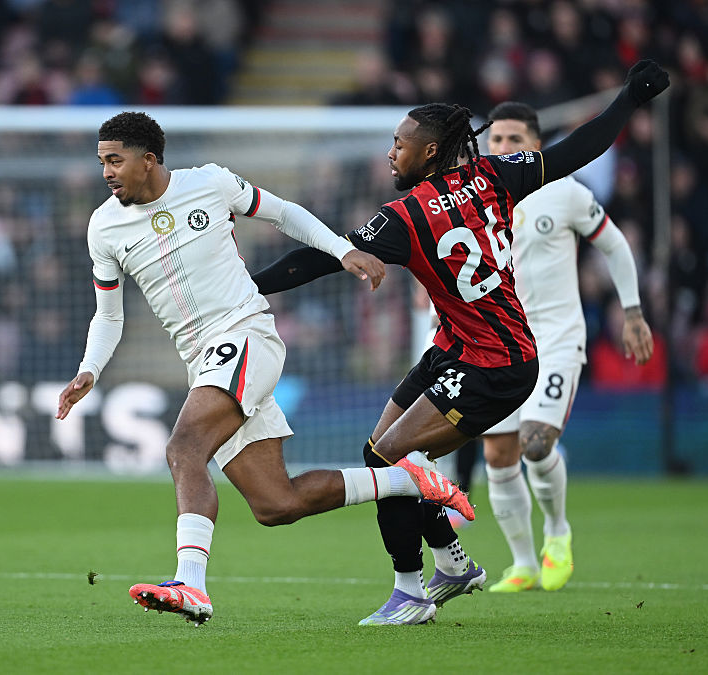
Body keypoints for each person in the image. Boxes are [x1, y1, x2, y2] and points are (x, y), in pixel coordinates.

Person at [253, 60, 669, 624]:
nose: (390, 154)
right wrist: (628, 99)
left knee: (387, 459)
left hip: (498, 364)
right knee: (379, 453)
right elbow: (578, 149)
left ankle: (411, 592)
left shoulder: (403, 217)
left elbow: (316, 261)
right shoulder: (497, 175)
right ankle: (451, 562)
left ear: (428, 152)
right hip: (458, 347)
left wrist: (250, 288)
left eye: (399, 144)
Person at [55, 112, 472, 627]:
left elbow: (284, 212)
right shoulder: (104, 225)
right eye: (101, 162)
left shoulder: (209, 182)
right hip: (201, 360)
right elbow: (109, 313)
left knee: (184, 447)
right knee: (277, 503)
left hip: (245, 334)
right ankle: (409, 481)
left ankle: (191, 583)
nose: (106, 172)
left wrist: (343, 250)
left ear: (149, 159)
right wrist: (90, 369)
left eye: (114, 160)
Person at [480, 101, 654, 594]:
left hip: (556, 336)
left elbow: (615, 244)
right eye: (496, 140)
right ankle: (522, 563)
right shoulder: (475, 199)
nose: (503, 148)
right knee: (498, 453)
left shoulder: (565, 192)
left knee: (536, 443)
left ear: (535, 145)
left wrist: (633, 310)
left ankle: (557, 531)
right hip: (499, 341)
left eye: (514, 140)